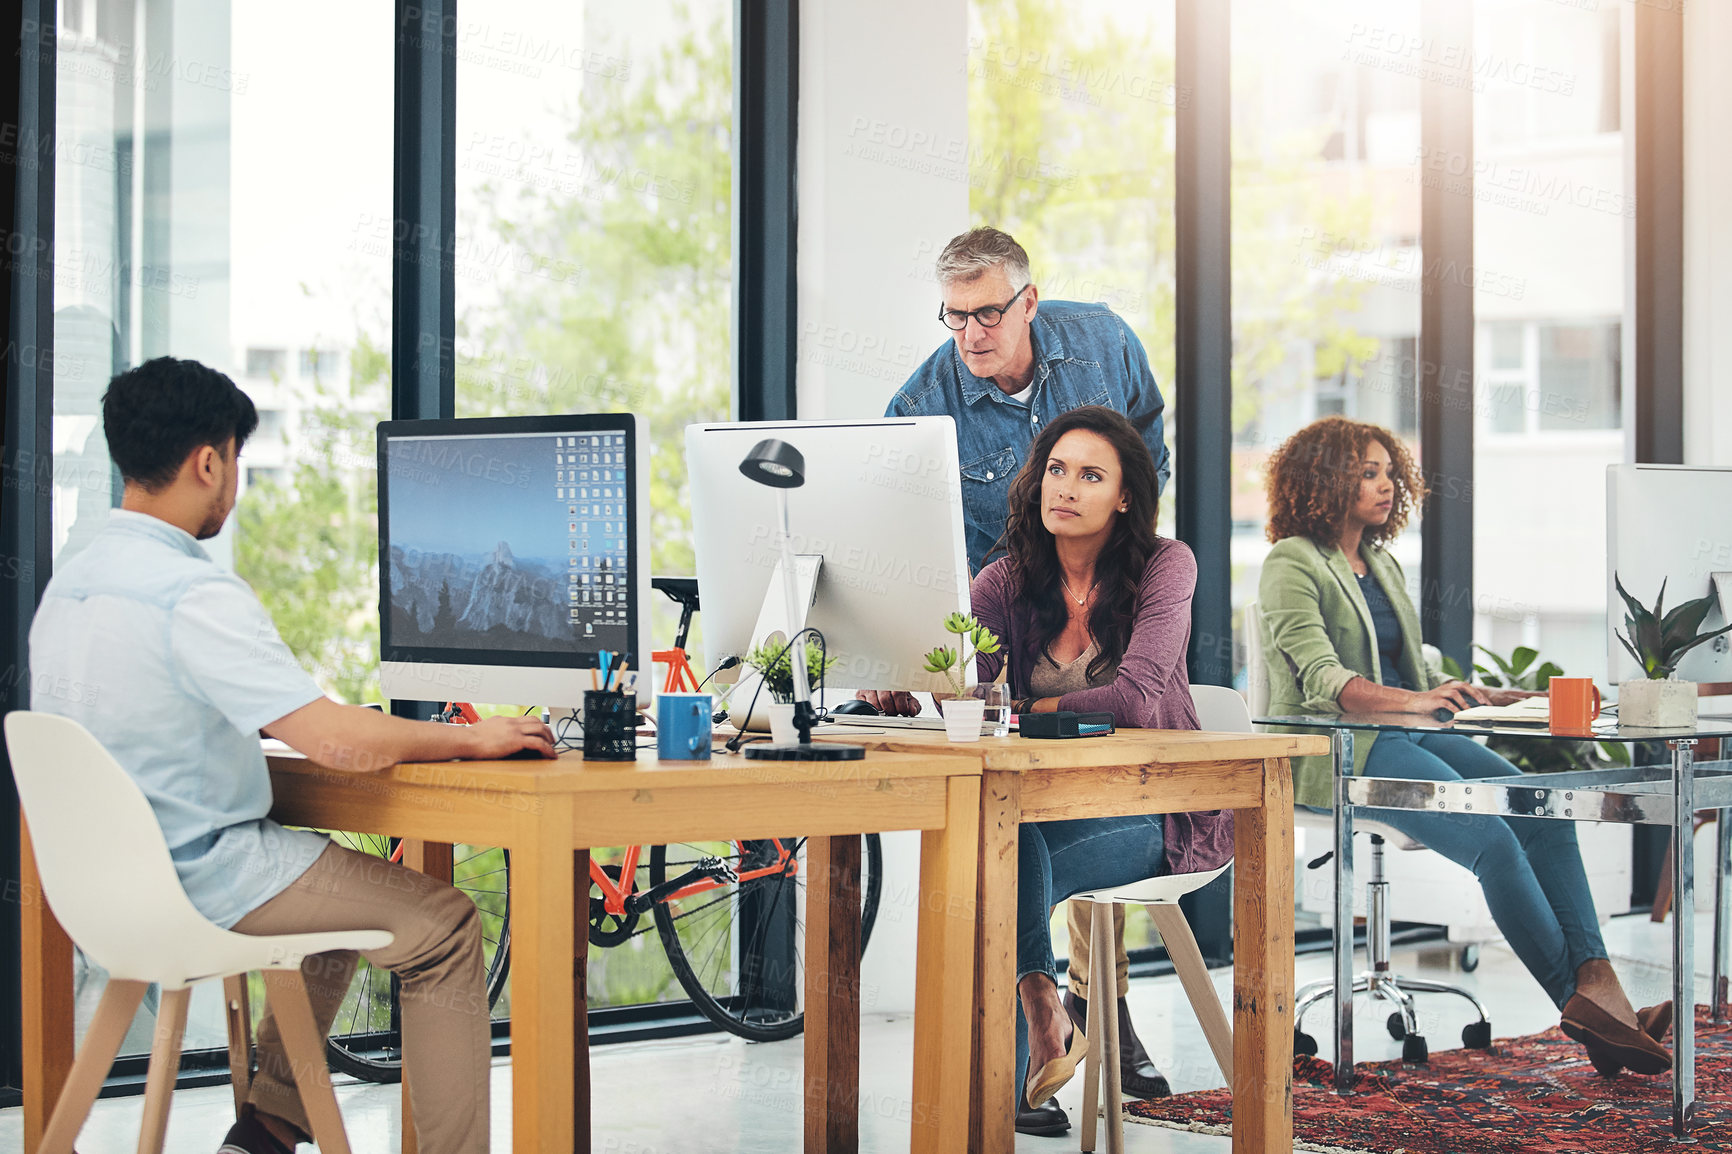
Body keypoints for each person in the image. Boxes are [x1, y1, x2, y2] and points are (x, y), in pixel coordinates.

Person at [29, 357, 556, 1154]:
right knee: (444, 924)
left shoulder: (67, 588)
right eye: (234, 461)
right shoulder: (191, 592)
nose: (233, 483)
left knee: (334, 880)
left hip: (101, 897)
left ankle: (270, 1128)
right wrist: (474, 737)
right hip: (205, 883)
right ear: (210, 461)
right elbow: (337, 740)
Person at [1257, 415, 1672, 1076]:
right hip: (1342, 748)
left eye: (1390, 471)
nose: (1387, 484)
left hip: (1403, 728)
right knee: (1495, 841)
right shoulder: (1291, 562)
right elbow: (1324, 681)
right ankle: (1586, 1007)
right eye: (1368, 471)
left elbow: (1409, 677)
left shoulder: (1379, 561)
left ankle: (1602, 992)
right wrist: (1417, 703)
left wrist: (1465, 692)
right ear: (1324, 479)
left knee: (1544, 808)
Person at [877, 227, 1180, 1126]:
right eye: (954, 316)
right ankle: (1052, 1033)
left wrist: (1124, 546)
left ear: (1030, 303)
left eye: (988, 314)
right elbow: (903, 535)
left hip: (1112, 601)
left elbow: (1148, 434)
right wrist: (969, 649)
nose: (970, 335)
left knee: (1050, 815)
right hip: (1009, 614)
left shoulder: (1101, 341)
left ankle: (1090, 1020)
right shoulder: (924, 403)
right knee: (1008, 821)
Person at [885, 406, 1223, 1136]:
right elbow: (954, 678)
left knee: (1001, 847)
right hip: (1040, 807)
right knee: (1001, 835)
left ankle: (1008, 1083)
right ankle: (1044, 1007)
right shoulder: (1006, 581)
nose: (1065, 487)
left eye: (1091, 475)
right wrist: (905, 684)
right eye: (1056, 469)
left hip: (1159, 809)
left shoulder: (1168, 566)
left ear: (1125, 496)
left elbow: (1134, 696)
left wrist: (1019, 703)